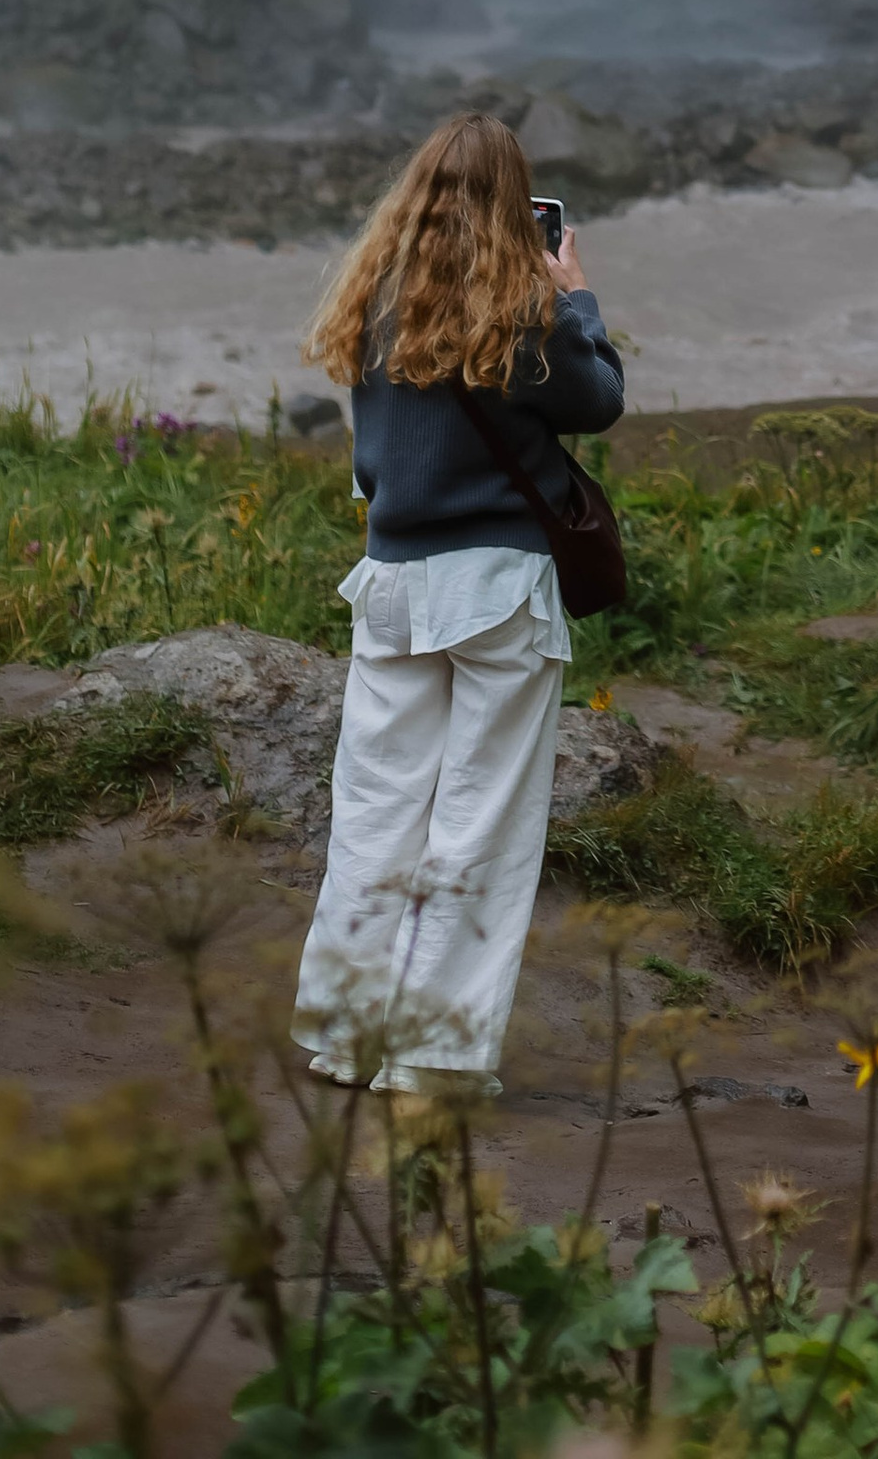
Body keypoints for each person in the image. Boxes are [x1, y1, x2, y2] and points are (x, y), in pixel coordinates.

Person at [292, 111, 624, 1095]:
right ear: (515, 209)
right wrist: (579, 298)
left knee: (374, 815)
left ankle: (345, 1036)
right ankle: (433, 1055)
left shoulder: (375, 304)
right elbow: (599, 400)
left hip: (391, 584)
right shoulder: (523, 314)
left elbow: (367, 464)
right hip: (495, 592)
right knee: (479, 821)